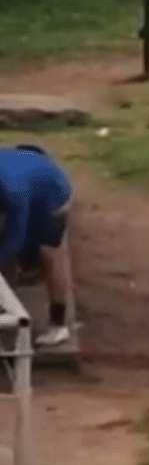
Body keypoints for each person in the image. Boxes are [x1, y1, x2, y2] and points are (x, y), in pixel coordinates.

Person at [0, 145, 76, 347]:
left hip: (53, 194)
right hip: (28, 169)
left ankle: (58, 325)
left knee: (49, 251)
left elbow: (17, 235)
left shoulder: (14, 191)